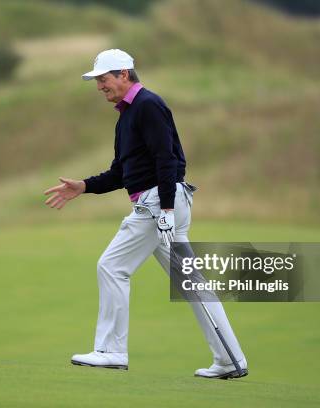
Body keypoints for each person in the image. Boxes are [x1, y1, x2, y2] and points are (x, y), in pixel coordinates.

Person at [44, 49, 247, 379]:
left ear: (124, 74)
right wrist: (83, 186)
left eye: (103, 79)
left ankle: (111, 351)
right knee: (192, 284)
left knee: (111, 266)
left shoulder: (147, 105)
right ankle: (230, 360)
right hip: (167, 202)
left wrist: (165, 209)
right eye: (97, 80)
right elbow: (121, 173)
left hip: (158, 204)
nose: (99, 86)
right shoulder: (126, 116)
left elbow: (166, 159)